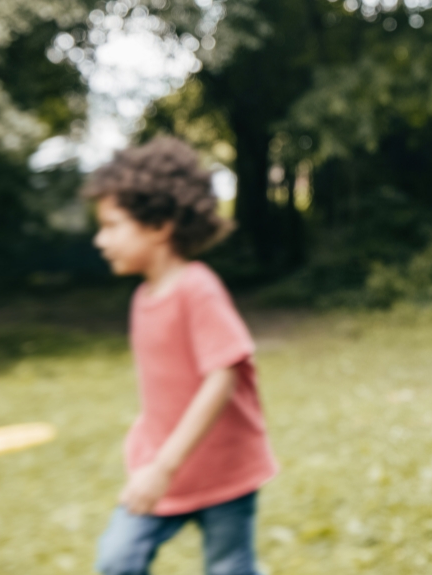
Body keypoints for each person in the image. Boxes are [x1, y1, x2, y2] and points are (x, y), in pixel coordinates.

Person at [86, 138, 276, 575]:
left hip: (223, 472)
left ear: (159, 226)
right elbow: (165, 383)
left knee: (231, 569)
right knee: (117, 560)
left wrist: (164, 466)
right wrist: (146, 436)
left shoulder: (197, 288)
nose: (101, 240)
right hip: (162, 473)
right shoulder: (141, 299)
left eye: (112, 225)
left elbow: (221, 376)